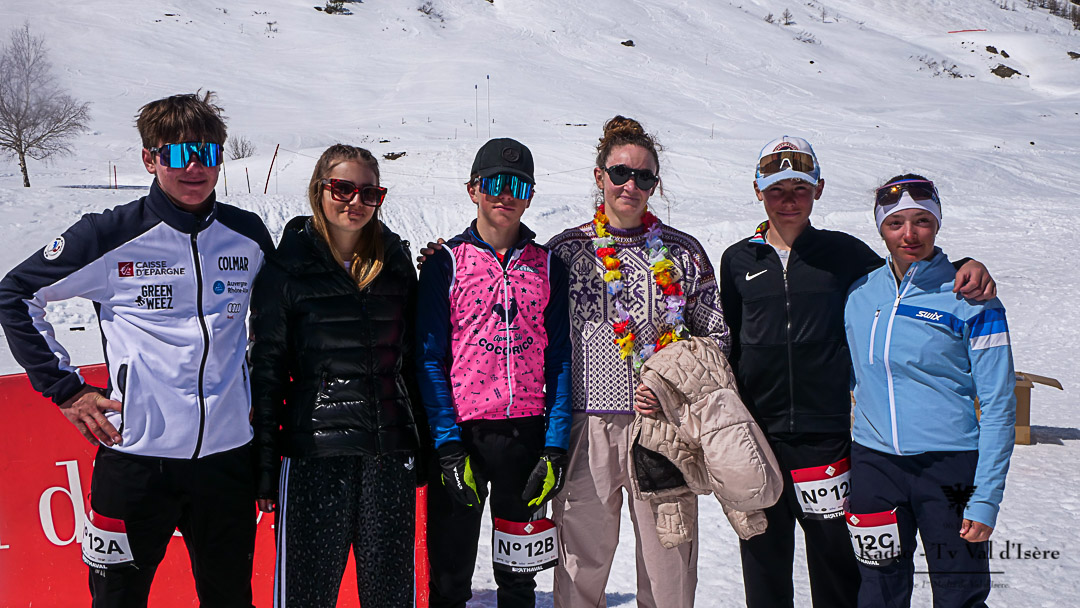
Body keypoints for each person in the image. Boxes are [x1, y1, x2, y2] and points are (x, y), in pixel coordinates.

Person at [0, 92, 272, 607]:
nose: (194, 168)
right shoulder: (109, 234)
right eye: (177, 154)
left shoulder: (247, 235)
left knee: (232, 598)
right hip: (136, 463)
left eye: (208, 153)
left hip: (226, 462)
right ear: (150, 158)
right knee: (117, 600)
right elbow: (15, 294)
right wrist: (66, 390)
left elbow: (280, 317)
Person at [719, 137, 997, 608]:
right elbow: (727, 339)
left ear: (819, 189)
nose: (789, 200)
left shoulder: (844, 254)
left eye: (800, 189)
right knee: (763, 559)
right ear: (757, 191)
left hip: (825, 440)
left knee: (836, 567)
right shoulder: (737, 260)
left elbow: (907, 271)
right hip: (756, 439)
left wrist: (964, 264)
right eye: (776, 190)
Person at [545, 116, 730, 608]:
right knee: (580, 565)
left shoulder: (684, 253)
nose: (631, 184)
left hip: (663, 428)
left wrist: (670, 390)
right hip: (588, 429)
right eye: (620, 173)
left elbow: (716, 339)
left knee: (669, 568)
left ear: (655, 184)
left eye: (644, 176)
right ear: (599, 176)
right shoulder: (565, 253)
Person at [249, 144, 426, 607]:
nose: (356, 202)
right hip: (315, 457)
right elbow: (267, 373)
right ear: (319, 190)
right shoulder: (287, 269)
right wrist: (265, 467)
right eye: (343, 188)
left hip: (388, 456)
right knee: (307, 596)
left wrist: (422, 445)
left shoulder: (395, 264)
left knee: (391, 598)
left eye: (370, 193)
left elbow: (410, 362)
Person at [843, 174, 1015, 607]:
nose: (909, 234)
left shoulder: (972, 298)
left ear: (937, 223)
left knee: (959, 594)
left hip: (950, 467)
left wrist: (985, 498)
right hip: (874, 466)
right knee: (878, 593)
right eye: (895, 223)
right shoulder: (860, 293)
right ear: (880, 228)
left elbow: (998, 404)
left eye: (922, 221)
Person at [416, 137, 573, 608]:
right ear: (473, 190)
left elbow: (560, 359)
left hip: (524, 439)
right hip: (463, 437)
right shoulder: (446, 263)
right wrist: (447, 446)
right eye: (495, 184)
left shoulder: (548, 266)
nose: (506, 195)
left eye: (518, 186)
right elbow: (429, 358)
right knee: (449, 576)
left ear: (530, 196)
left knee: (519, 578)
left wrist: (554, 446)